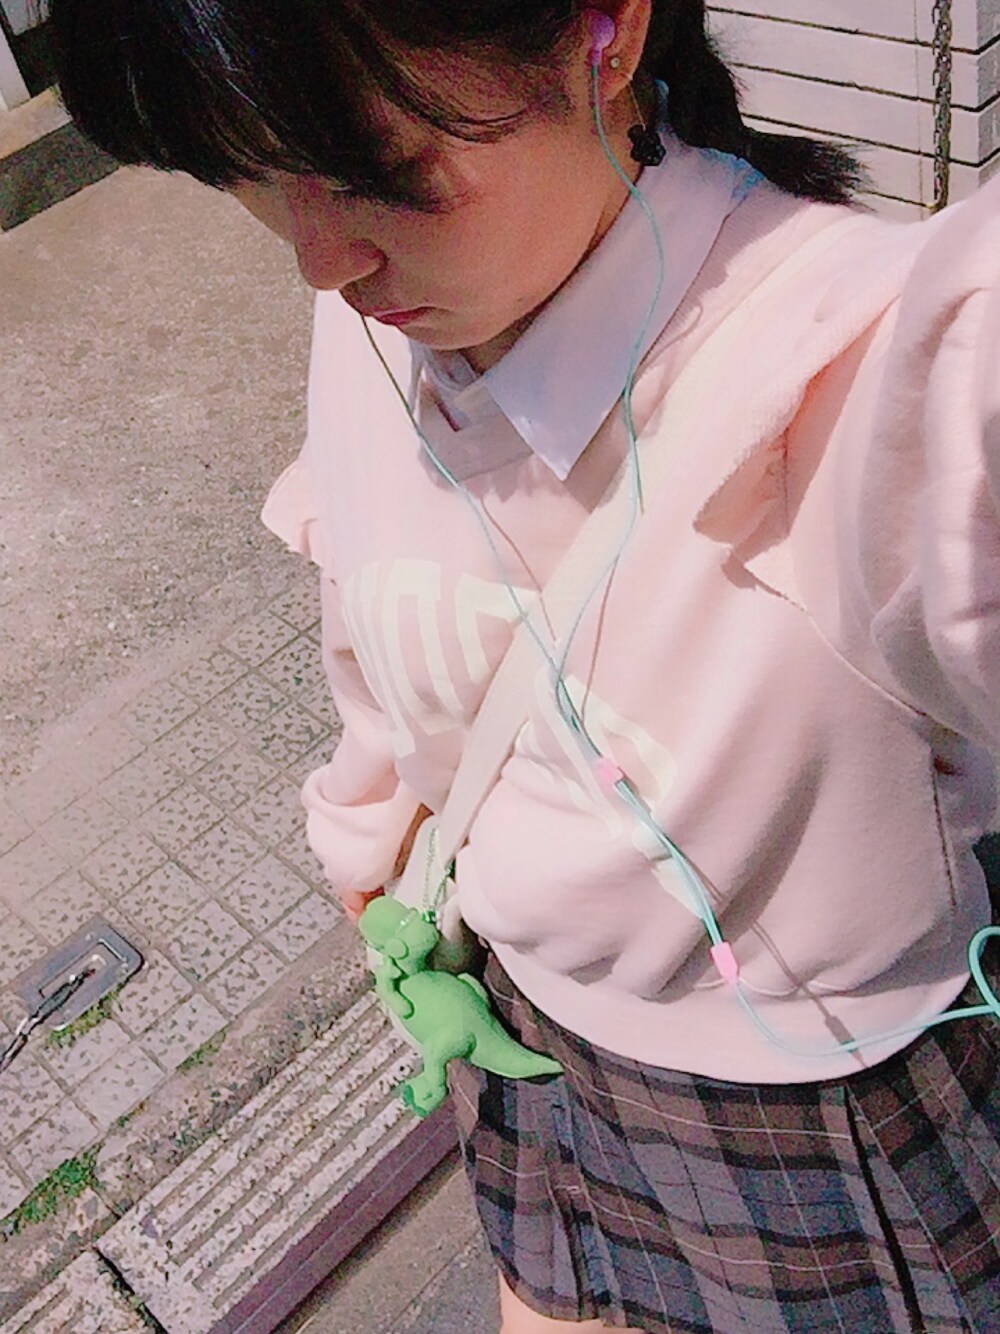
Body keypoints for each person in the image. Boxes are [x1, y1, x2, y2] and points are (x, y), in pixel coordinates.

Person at [49, 2, 1000, 1330]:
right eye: (248, 174)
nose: (322, 263)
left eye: (376, 172)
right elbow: (366, 590)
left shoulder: (847, 378)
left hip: (811, 1104)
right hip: (527, 1024)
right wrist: (368, 820)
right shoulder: (384, 321)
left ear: (606, 32)